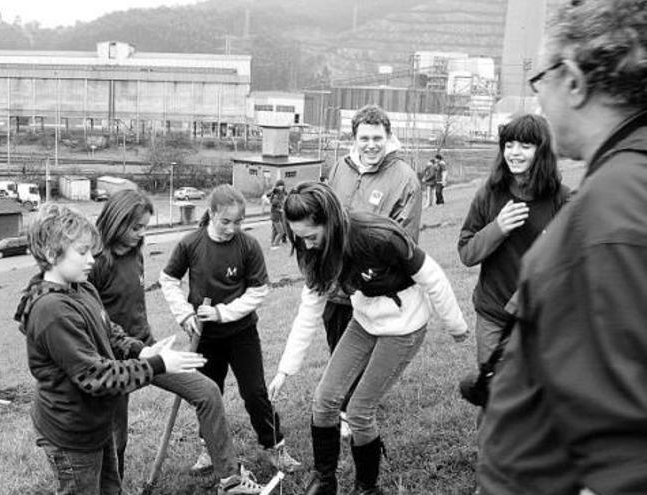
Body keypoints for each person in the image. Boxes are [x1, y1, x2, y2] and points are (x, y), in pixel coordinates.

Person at [478, 1, 647, 493]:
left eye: (541, 81)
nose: (539, 101)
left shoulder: (612, 211)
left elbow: (627, 458)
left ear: (573, 80)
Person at [267, 182, 468, 495]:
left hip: (404, 326)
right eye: (299, 238)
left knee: (359, 412)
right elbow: (309, 311)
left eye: (311, 236)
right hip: (363, 321)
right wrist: (285, 369)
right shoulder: (316, 253)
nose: (306, 246)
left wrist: (456, 325)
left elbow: (432, 276)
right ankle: (324, 480)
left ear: (330, 223)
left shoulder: (379, 236)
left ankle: (367, 488)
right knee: (324, 401)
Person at [13, 203, 207, 495]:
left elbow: (108, 329)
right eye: (82, 252)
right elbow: (96, 375)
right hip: (71, 434)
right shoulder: (53, 311)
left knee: (110, 488)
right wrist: (158, 365)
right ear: (52, 255)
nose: (92, 259)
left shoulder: (82, 288)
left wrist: (141, 351)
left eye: (92, 250)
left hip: (96, 423)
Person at [89, 190, 263, 493]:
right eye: (136, 228)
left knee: (207, 391)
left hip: (151, 350)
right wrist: (133, 347)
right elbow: (97, 322)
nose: (142, 234)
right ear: (117, 221)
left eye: (145, 226)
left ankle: (230, 479)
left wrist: (148, 345)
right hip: (115, 359)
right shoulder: (95, 263)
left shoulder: (134, 252)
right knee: (116, 436)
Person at [159, 184, 302, 473]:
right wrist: (185, 315)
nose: (232, 228)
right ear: (211, 214)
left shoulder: (247, 245)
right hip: (204, 338)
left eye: (238, 222)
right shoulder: (191, 243)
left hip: (241, 334)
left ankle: (274, 447)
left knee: (255, 392)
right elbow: (168, 280)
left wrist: (223, 313)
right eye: (226, 221)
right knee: (207, 395)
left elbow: (258, 291)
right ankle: (209, 451)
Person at [323, 104, 423, 437]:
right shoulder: (340, 167)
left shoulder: (404, 177)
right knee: (337, 342)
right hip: (335, 282)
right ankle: (342, 405)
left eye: (377, 138)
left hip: (369, 284)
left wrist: (368, 277)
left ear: (388, 137)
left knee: (366, 343)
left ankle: (356, 411)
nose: (371, 145)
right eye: (364, 138)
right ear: (354, 138)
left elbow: (403, 238)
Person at [458, 114, 570, 368]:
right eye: (509, 145)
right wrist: (498, 228)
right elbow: (466, 254)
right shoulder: (489, 193)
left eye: (525, 146)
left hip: (538, 317)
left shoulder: (562, 200)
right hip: (492, 315)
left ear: (541, 151)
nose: (514, 153)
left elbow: (569, 262)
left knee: (533, 392)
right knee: (492, 389)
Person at [267, 180, 288, 249]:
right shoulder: (275, 197)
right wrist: (280, 208)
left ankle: (274, 242)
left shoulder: (280, 194)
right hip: (276, 216)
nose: (281, 187)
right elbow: (275, 204)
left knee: (278, 229)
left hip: (277, 215)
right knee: (280, 231)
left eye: (282, 185)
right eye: (280, 185)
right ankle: (274, 244)